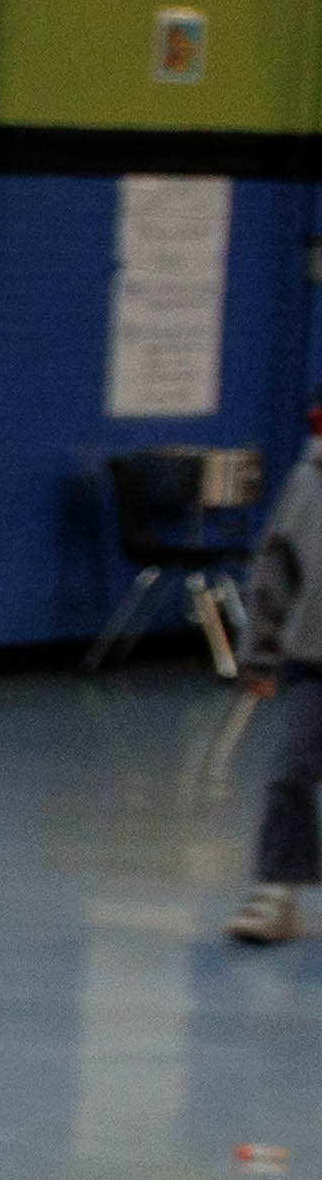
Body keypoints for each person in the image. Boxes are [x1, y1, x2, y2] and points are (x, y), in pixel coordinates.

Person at [229, 394, 321, 944]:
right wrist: (259, 653)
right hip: (315, 661)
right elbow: (275, 566)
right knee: (291, 774)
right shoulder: (308, 478)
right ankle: (277, 894)